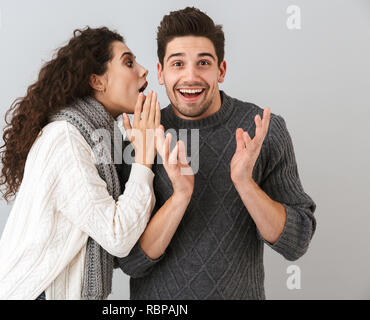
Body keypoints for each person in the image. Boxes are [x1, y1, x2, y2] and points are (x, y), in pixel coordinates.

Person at [116, 7, 317, 299]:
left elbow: (296, 242)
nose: (191, 76)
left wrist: (246, 185)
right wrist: (180, 197)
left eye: (203, 63)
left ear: (221, 70)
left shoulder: (263, 130)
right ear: (160, 72)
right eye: (177, 64)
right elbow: (130, 261)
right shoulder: (143, 137)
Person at [0, 26, 189, 300]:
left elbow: (113, 239)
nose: (143, 70)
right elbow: (117, 237)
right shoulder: (66, 138)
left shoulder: (99, 138)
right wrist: (144, 155)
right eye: (128, 62)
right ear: (97, 81)